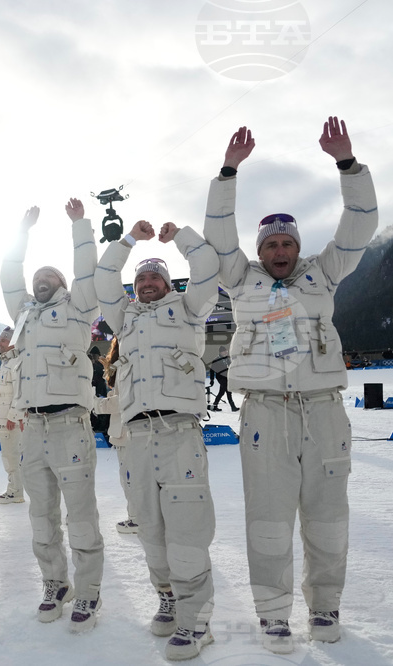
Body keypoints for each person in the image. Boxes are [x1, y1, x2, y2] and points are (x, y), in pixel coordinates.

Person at [203, 118, 378, 653]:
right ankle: (274, 614)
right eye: (272, 243)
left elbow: (361, 222)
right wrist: (228, 172)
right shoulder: (241, 278)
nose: (279, 250)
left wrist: (347, 165)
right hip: (265, 413)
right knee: (269, 518)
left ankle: (325, 608)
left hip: (324, 410)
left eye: (287, 242)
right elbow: (218, 235)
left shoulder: (323, 272)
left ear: (298, 245)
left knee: (328, 514)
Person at [96, 218, 219, 661]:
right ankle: (167, 596)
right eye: (142, 278)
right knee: (149, 524)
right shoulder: (123, 317)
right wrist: (127, 240)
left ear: (169, 284)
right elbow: (102, 278)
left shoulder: (189, 308)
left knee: (187, 526)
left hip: (179, 431)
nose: (148, 282)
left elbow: (208, 267)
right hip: (136, 436)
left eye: (156, 277)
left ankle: (197, 618)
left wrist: (178, 238)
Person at [0, 200, 104, 631]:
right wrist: (21, 232)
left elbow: (86, 273)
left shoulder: (79, 308)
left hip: (70, 425)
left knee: (80, 515)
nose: (40, 282)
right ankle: (54, 583)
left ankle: (89, 591)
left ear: (62, 285)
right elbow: (9, 277)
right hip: (33, 427)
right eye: (37, 278)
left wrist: (80, 227)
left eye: (49, 277)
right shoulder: (24, 314)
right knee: (40, 514)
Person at [93, 339, 138, 535]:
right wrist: (109, 372)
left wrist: (96, 404)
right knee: (129, 478)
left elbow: (123, 400)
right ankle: (139, 516)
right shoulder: (124, 364)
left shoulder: (131, 363)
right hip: (125, 431)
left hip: (129, 431)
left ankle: (138, 519)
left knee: (132, 478)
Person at [0, 327, 24, 504]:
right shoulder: (6, 363)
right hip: (5, 419)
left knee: (12, 457)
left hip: (11, 421)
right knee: (9, 456)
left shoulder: (16, 363)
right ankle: (14, 488)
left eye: (3, 341)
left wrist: (12, 415)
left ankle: (15, 491)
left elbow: (19, 392)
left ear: (12, 343)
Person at [207, 346, 238, 411]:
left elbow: (230, 366)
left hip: (226, 377)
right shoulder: (216, 360)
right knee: (228, 391)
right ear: (221, 352)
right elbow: (212, 370)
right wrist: (211, 379)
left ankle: (214, 406)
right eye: (224, 351)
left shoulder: (227, 358)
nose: (226, 352)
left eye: (226, 351)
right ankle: (233, 407)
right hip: (220, 377)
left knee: (221, 392)